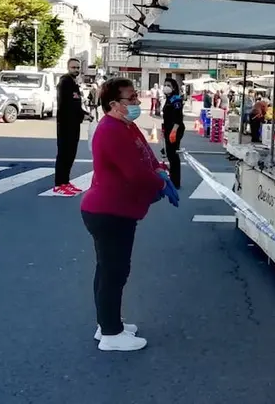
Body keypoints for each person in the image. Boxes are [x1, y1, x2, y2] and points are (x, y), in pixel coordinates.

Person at [81, 77, 179, 352]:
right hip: (109, 210)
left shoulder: (127, 126)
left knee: (109, 270)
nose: (137, 102)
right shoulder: (110, 130)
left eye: (137, 97)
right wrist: (160, 184)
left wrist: (159, 169)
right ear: (113, 104)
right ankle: (111, 333)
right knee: (114, 272)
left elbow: (145, 156)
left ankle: (108, 322)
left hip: (116, 209)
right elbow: (135, 173)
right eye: (131, 99)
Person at [53, 58, 90, 197]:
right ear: (68, 67)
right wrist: (81, 115)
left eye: (78, 67)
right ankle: (59, 184)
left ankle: (66, 182)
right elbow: (66, 105)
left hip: (74, 124)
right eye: (73, 67)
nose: (76, 70)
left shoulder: (74, 83)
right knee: (64, 154)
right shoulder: (65, 82)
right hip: (65, 124)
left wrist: (84, 114)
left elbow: (76, 105)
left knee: (71, 154)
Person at [162, 78, 185, 189]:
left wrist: (174, 131)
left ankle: (175, 182)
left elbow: (178, 117)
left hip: (175, 130)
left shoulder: (176, 100)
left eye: (168, 85)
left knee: (173, 155)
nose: (166, 87)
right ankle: (172, 179)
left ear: (174, 87)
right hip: (168, 129)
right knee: (170, 155)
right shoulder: (168, 99)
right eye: (165, 84)